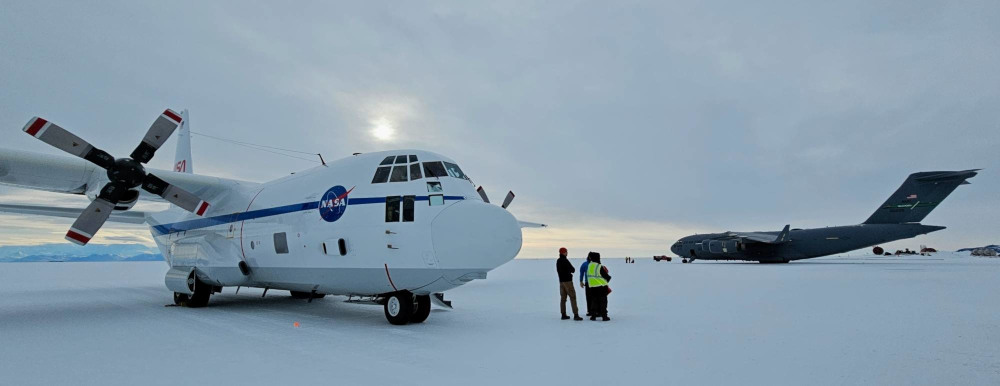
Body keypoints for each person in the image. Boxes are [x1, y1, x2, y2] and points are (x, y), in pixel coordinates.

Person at [556, 247, 583, 321]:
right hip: (568, 281)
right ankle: (576, 315)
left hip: (561, 282)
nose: (567, 253)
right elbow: (573, 269)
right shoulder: (565, 260)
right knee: (572, 297)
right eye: (566, 252)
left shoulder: (558, 261)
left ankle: (563, 314)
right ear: (563, 252)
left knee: (563, 299)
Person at [585, 252, 612, 321]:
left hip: (592, 286)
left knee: (594, 301)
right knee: (603, 302)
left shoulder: (590, 265)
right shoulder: (599, 266)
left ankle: (593, 316)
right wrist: (608, 278)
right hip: (601, 287)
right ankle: (604, 316)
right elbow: (606, 276)